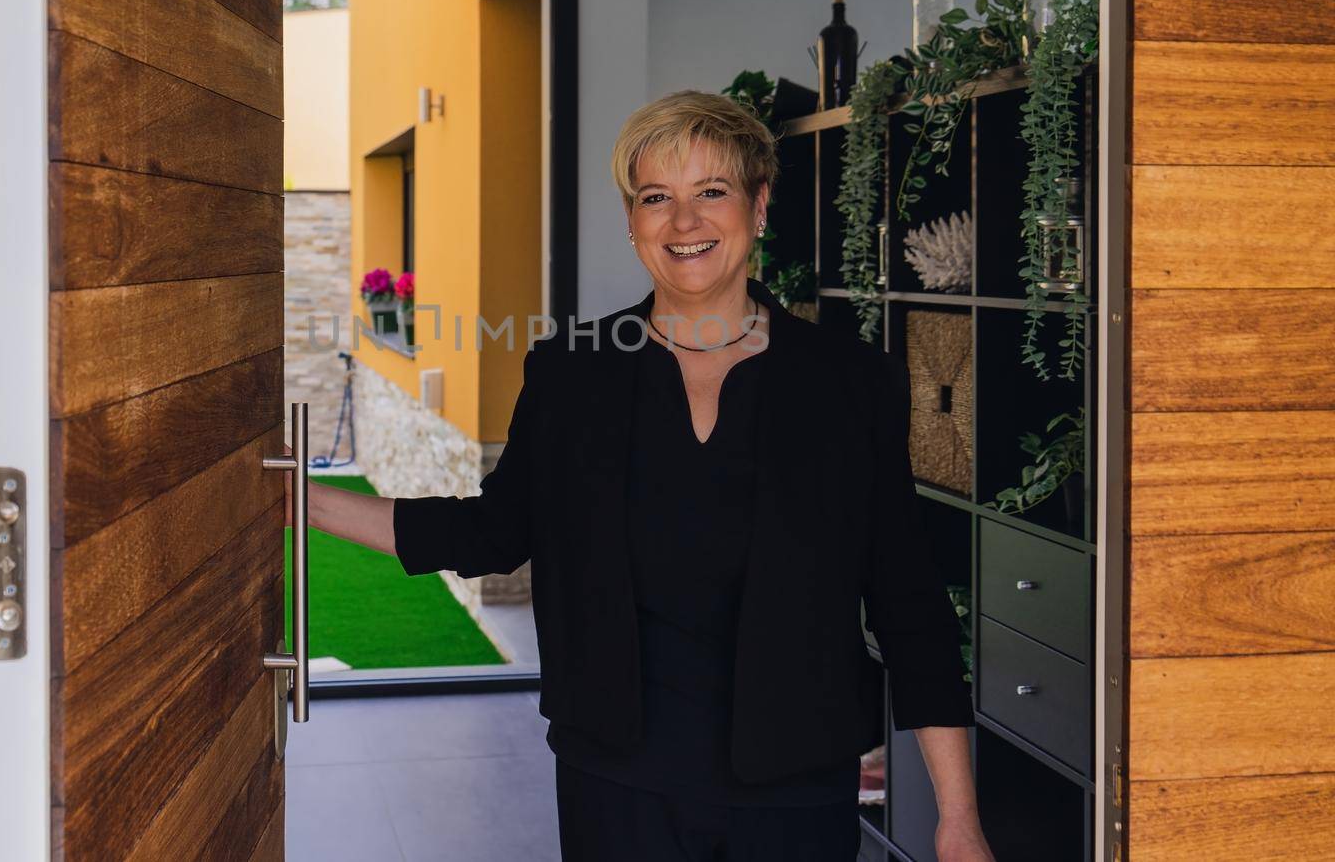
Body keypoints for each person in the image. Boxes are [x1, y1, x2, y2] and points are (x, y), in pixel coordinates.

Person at [285, 90, 995, 861]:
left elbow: (908, 601)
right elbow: (490, 531)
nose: (684, 222)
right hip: (616, 782)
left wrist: (957, 815)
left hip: (796, 790)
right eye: (657, 197)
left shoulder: (850, 383)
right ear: (632, 223)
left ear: (759, 207)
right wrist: (303, 501)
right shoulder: (571, 373)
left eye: (711, 192)